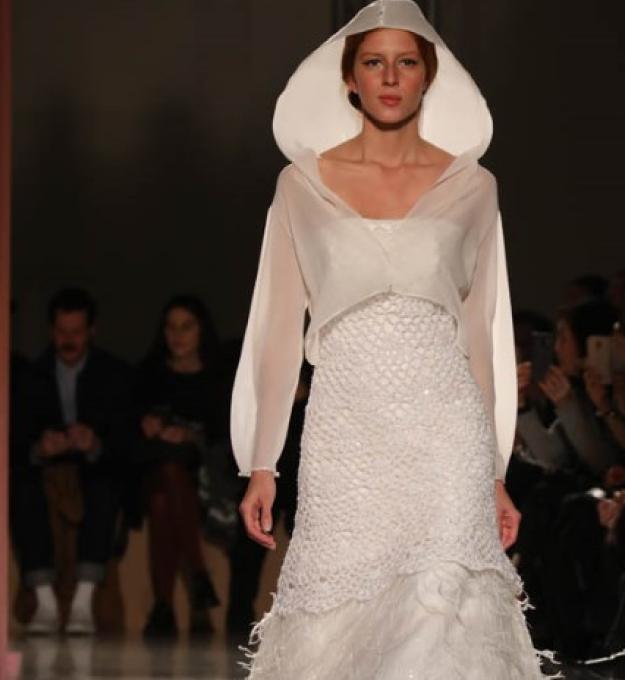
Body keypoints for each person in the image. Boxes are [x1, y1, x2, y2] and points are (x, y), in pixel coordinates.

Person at [230, 1, 559, 677]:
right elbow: (278, 328)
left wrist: (495, 471)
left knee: (441, 619)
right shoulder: (301, 184)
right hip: (346, 433)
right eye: (374, 62)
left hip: (446, 434)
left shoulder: (472, 185)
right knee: (338, 624)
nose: (389, 77)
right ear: (349, 78)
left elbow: (483, 332)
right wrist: (261, 460)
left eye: (406, 62)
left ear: (427, 75)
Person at [9, 288, 132, 635]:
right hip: (44, 470)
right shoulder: (31, 375)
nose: (69, 340)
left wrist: (94, 443)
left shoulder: (113, 374)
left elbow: (125, 440)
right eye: (62, 331)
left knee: (105, 485)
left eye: (76, 332)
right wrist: (40, 447)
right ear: (51, 331)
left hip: (96, 468)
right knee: (23, 488)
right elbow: (15, 440)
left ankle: (83, 600)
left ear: (91, 331)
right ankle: (44, 601)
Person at [134, 295, 224, 636]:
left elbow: (224, 433)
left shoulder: (216, 376)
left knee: (163, 500)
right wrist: (148, 425)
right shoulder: (150, 373)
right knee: (164, 483)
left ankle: (163, 607)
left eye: (186, 327)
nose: (178, 335)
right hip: (153, 470)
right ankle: (199, 579)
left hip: (207, 478)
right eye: (171, 327)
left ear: (201, 330)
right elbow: (130, 424)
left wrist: (189, 435)